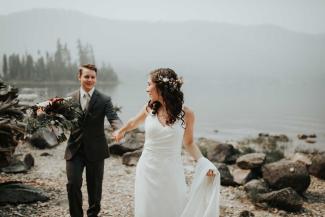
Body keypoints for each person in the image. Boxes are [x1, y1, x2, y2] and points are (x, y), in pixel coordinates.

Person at [113, 68, 220, 217]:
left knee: (173, 208)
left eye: (149, 84)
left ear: (161, 87)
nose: (146, 89)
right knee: (147, 209)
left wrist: (204, 162)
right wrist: (121, 130)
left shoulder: (187, 114)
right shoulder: (149, 108)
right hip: (147, 169)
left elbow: (189, 143)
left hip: (171, 171)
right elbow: (133, 122)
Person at [65, 64, 122, 217]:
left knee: (95, 188)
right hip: (74, 149)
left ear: (96, 79)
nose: (90, 80)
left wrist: (118, 129)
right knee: (73, 184)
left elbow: (114, 118)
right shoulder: (69, 98)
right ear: (79, 77)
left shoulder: (104, 99)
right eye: (86, 76)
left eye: (92, 77)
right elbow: (57, 116)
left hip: (96, 150)